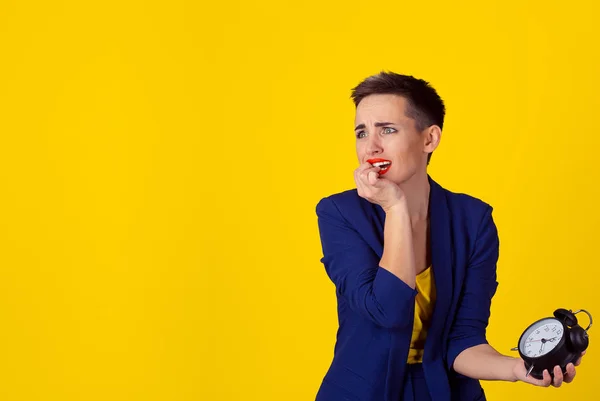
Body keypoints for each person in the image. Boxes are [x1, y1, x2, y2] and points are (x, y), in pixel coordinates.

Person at [314, 71, 585, 401]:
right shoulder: (339, 213)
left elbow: (464, 339)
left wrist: (517, 369)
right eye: (361, 132)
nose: (371, 145)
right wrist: (397, 210)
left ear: (429, 139)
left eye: (387, 129)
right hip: (360, 392)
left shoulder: (474, 221)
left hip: (446, 392)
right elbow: (388, 310)